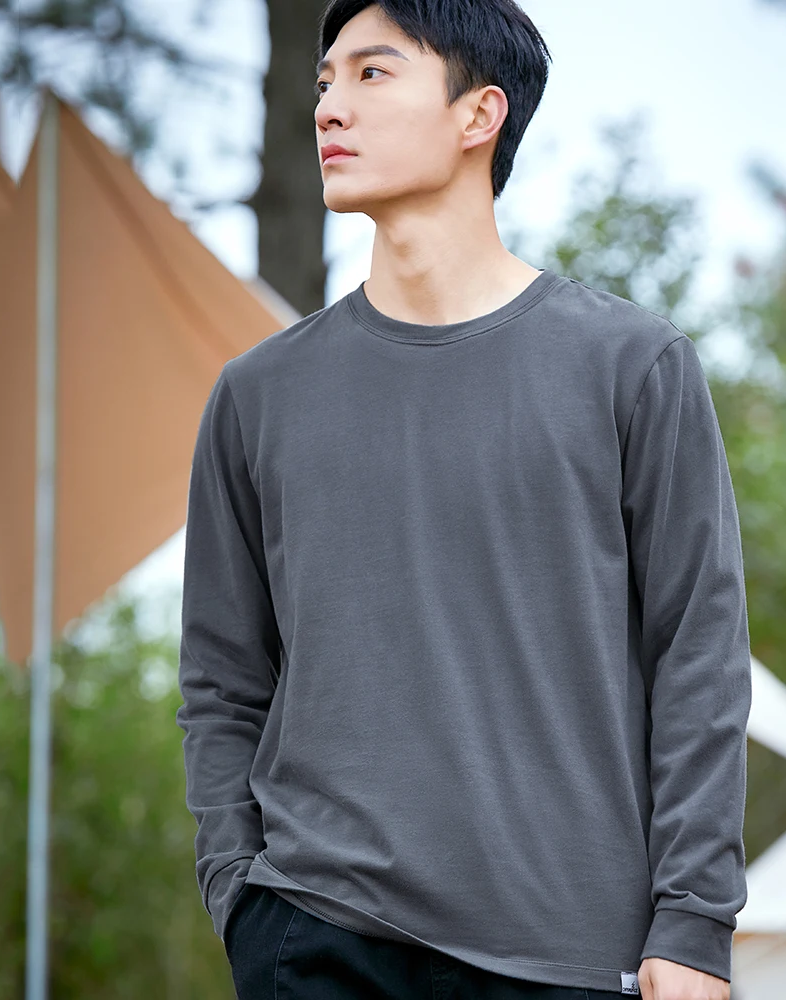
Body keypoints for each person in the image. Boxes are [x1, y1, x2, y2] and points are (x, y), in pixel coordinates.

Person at [176, 0, 752, 997]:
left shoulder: (632, 365)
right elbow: (223, 679)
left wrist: (694, 921)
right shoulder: (257, 395)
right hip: (315, 933)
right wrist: (239, 893)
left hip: (568, 955)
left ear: (479, 113)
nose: (329, 107)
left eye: (372, 74)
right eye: (324, 82)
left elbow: (697, 656)